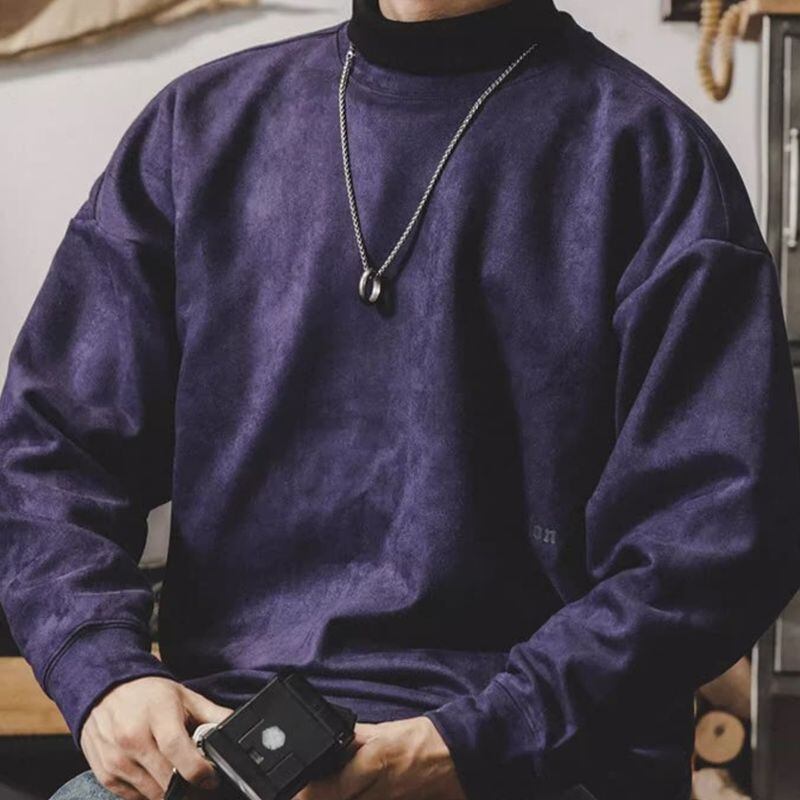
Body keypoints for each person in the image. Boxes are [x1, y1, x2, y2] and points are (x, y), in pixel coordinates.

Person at [1, 0, 799, 799]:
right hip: (229, 745)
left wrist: (476, 741)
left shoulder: (655, 159)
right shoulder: (196, 130)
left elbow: (716, 541)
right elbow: (50, 451)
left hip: (529, 762)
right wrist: (103, 670)